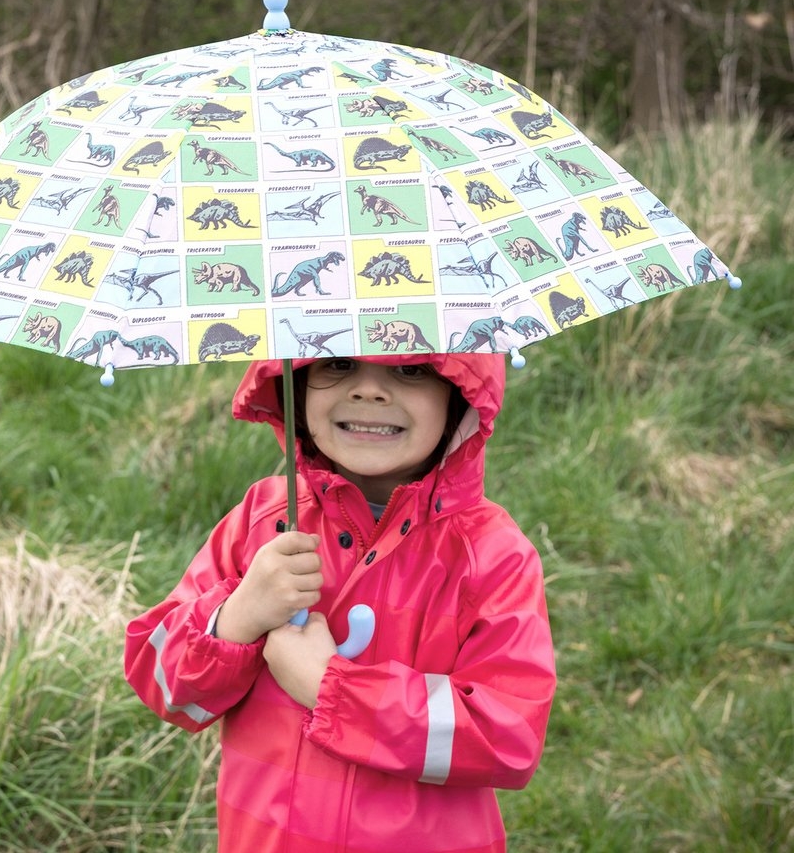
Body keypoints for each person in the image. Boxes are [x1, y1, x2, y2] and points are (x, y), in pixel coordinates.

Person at [124, 353, 555, 852]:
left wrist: (333, 689)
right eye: (339, 364)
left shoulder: (490, 557)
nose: (368, 391)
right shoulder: (264, 522)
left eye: (411, 370)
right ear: (297, 382)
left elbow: (508, 738)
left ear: (461, 396)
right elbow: (166, 689)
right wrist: (238, 615)